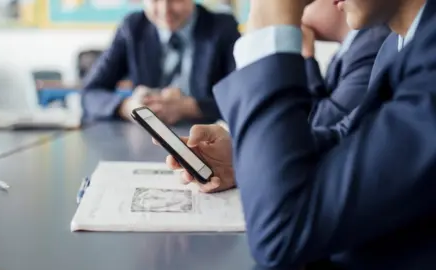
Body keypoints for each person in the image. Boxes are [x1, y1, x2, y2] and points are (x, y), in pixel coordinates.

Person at [156, 0, 436, 268]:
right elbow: (348, 137)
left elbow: (281, 235)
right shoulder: (397, 45)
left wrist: (271, 22)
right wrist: (245, 155)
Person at [81, 0, 240, 125]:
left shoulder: (222, 27)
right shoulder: (133, 27)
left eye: (175, 0)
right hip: (143, 141)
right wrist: (128, 107)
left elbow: (241, 98)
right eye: (155, 0)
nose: (165, 11)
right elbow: (90, 93)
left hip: (206, 138)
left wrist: (190, 107)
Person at [301, 0, 389, 126]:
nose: (298, 18)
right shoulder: (344, 55)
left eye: (305, 3)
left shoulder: (372, 45)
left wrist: (306, 57)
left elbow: (320, 123)